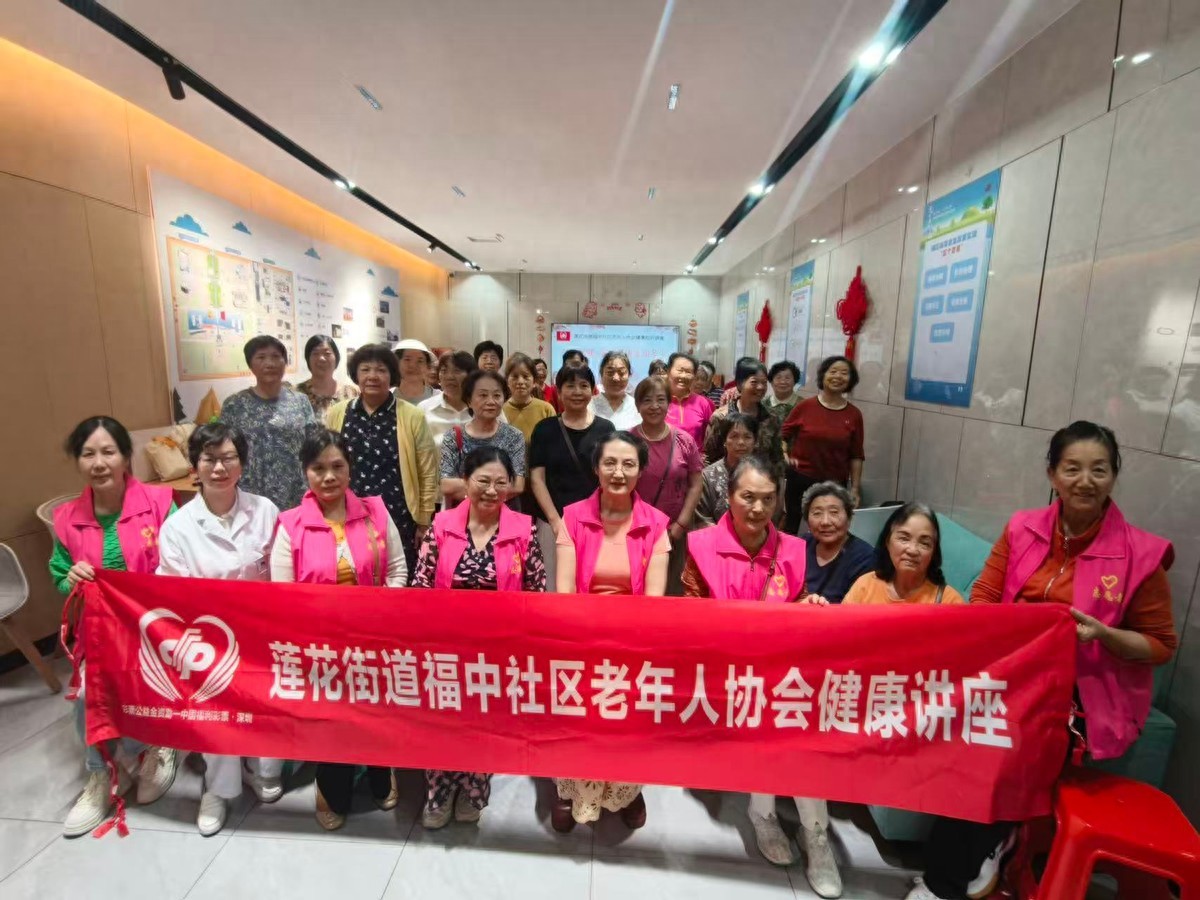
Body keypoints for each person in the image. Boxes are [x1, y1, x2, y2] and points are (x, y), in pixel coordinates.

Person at [906, 422, 1177, 900]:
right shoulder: (1023, 528)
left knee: (992, 747)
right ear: (1052, 474)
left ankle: (945, 882)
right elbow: (985, 596)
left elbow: (1159, 644)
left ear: (1114, 476)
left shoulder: (1141, 556)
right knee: (954, 732)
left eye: (1099, 470)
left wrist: (1103, 635)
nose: (1085, 481)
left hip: (1079, 695)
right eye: (1072, 469)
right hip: (1012, 674)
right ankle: (978, 852)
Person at [680, 455, 841, 898]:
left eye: (767, 499)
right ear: (729, 497)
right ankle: (763, 813)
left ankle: (816, 834)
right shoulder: (701, 546)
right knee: (764, 732)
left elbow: (797, 600)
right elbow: (691, 615)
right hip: (724, 676)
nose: (757, 508)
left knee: (803, 737)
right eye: (747, 497)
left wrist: (809, 606)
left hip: (780, 671)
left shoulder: (793, 549)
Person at [271, 429, 407, 831]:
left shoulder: (375, 512)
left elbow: (397, 570)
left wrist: (380, 613)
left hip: (375, 637)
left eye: (337, 466)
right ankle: (331, 785)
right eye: (318, 468)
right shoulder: (290, 525)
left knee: (376, 712)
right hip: (321, 645)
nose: (328, 476)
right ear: (305, 472)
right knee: (331, 718)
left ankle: (383, 772)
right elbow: (284, 596)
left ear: (350, 469)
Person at [50, 416, 178, 838]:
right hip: (100, 633)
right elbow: (59, 574)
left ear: (126, 456)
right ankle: (101, 773)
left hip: (157, 631)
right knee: (89, 693)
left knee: (150, 683)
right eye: (88, 454)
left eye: (109, 452)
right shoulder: (67, 519)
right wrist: (71, 578)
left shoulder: (160, 504)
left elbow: (180, 561)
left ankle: (153, 748)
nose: (99, 463)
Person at [155, 423, 283, 835]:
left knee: (269, 700)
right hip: (208, 639)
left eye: (229, 458)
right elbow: (171, 595)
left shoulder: (266, 511)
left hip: (263, 633)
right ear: (195, 466)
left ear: (242, 464)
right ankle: (218, 787)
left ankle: (260, 767)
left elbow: (282, 576)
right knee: (216, 700)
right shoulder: (178, 527)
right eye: (209, 459)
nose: (219, 468)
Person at [410, 447, 546, 828]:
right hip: (446, 647)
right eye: (483, 481)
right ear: (466, 482)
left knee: (484, 722)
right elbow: (421, 584)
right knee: (443, 720)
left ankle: (473, 790)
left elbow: (536, 590)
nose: (491, 490)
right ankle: (438, 794)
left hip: (497, 651)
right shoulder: (442, 525)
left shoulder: (524, 529)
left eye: (501, 483)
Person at [552, 432, 670, 831]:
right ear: (596, 469)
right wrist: (586, 641)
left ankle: (626, 790)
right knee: (577, 718)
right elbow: (565, 592)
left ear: (641, 470)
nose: (619, 473)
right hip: (580, 638)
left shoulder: (656, 524)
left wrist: (625, 643)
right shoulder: (572, 517)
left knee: (624, 720)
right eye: (610, 463)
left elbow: (653, 601)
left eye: (628, 464)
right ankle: (571, 790)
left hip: (631, 642)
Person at [326, 343, 438, 575]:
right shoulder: (338, 413)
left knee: (398, 575)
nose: (373, 376)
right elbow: (327, 462)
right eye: (365, 369)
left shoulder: (412, 415)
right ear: (356, 374)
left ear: (392, 375)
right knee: (353, 572)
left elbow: (427, 471)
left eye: (381, 370)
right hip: (348, 513)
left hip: (398, 514)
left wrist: (424, 520)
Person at [528, 365, 616, 591]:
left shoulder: (606, 429)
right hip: (552, 522)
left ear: (593, 390)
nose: (577, 391)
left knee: (593, 584)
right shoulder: (545, 429)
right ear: (558, 391)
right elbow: (537, 479)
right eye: (570, 386)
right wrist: (555, 521)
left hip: (595, 522)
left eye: (583, 385)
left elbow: (609, 476)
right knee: (553, 586)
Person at [220, 335, 317, 510]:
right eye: (261, 357)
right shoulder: (235, 405)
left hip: (296, 493)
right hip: (251, 495)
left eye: (276, 357)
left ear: (285, 362)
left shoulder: (301, 401)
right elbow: (224, 450)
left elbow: (313, 447)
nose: (270, 363)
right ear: (250, 365)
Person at [630, 376, 703, 594]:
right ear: (637, 405)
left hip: (674, 531)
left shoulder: (684, 440)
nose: (654, 406)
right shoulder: (628, 440)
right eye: (647, 400)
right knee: (636, 586)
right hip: (635, 530)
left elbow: (695, 484)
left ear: (669, 403)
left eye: (660, 400)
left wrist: (681, 524)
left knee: (671, 589)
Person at [781, 355, 864, 534]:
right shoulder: (805, 407)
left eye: (844, 373)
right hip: (801, 478)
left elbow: (856, 454)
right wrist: (784, 455)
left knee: (829, 527)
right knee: (792, 527)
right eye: (833, 371)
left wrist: (855, 488)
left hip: (835, 482)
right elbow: (782, 436)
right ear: (823, 375)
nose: (838, 376)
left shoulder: (854, 414)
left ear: (851, 380)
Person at [843, 503, 965, 606]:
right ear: (887, 542)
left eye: (924, 543)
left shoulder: (949, 601)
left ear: (933, 552)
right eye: (904, 538)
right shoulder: (865, 586)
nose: (912, 550)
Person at [440, 370, 527, 506]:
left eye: (497, 395)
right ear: (469, 400)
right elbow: (446, 485)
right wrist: (498, 486)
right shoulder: (453, 437)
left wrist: (471, 487)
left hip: (505, 513)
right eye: (483, 395)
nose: (491, 401)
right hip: (465, 514)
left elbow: (517, 485)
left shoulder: (514, 436)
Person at [703, 360, 784, 481]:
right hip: (727, 482)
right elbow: (709, 457)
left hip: (761, 482)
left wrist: (777, 483)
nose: (760, 387)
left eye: (764, 383)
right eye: (754, 382)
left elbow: (777, 458)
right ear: (740, 384)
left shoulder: (771, 418)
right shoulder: (721, 417)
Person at [798, 482, 875, 604]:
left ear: (849, 518)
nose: (825, 522)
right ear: (807, 520)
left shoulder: (865, 558)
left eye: (834, 512)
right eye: (817, 513)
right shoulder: (802, 545)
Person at [694, 412, 759, 528]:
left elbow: (775, 516)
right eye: (734, 436)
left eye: (747, 437)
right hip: (717, 537)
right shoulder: (708, 477)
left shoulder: (764, 475)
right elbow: (702, 519)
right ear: (724, 441)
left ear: (755, 442)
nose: (741, 442)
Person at [418, 350, 478, 451]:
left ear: (471, 375)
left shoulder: (484, 407)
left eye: (457, 371)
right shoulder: (424, 409)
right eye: (444, 371)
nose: (449, 377)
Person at [295, 334, 358, 418]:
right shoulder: (296, 393)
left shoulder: (352, 393)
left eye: (327, 353)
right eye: (315, 353)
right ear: (308, 359)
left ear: (336, 358)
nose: (321, 358)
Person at [502, 352, 556, 442]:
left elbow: (554, 442)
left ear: (534, 381)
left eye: (525, 376)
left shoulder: (547, 410)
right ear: (507, 381)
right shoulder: (500, 411)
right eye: (515, 376)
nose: (520, 381)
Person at [664, 352, 714, 446]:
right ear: (668, 371)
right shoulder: (659, 400)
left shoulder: (702, 403)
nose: (683, 376)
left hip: (694, 455)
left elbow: (709, 438)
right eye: (680, 370)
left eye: (688, 372)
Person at [590, 349, 640, 430]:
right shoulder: (589, 405)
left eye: (621, 373)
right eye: (610, 372)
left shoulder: (637, 407)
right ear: (601, 375)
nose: (616, 378)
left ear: (629, 375)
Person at [393, 338, 436, 404]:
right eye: (407, 359)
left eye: (420, 361)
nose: (413, 365)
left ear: (427, 366)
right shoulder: (385, 397)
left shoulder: (438, 397)